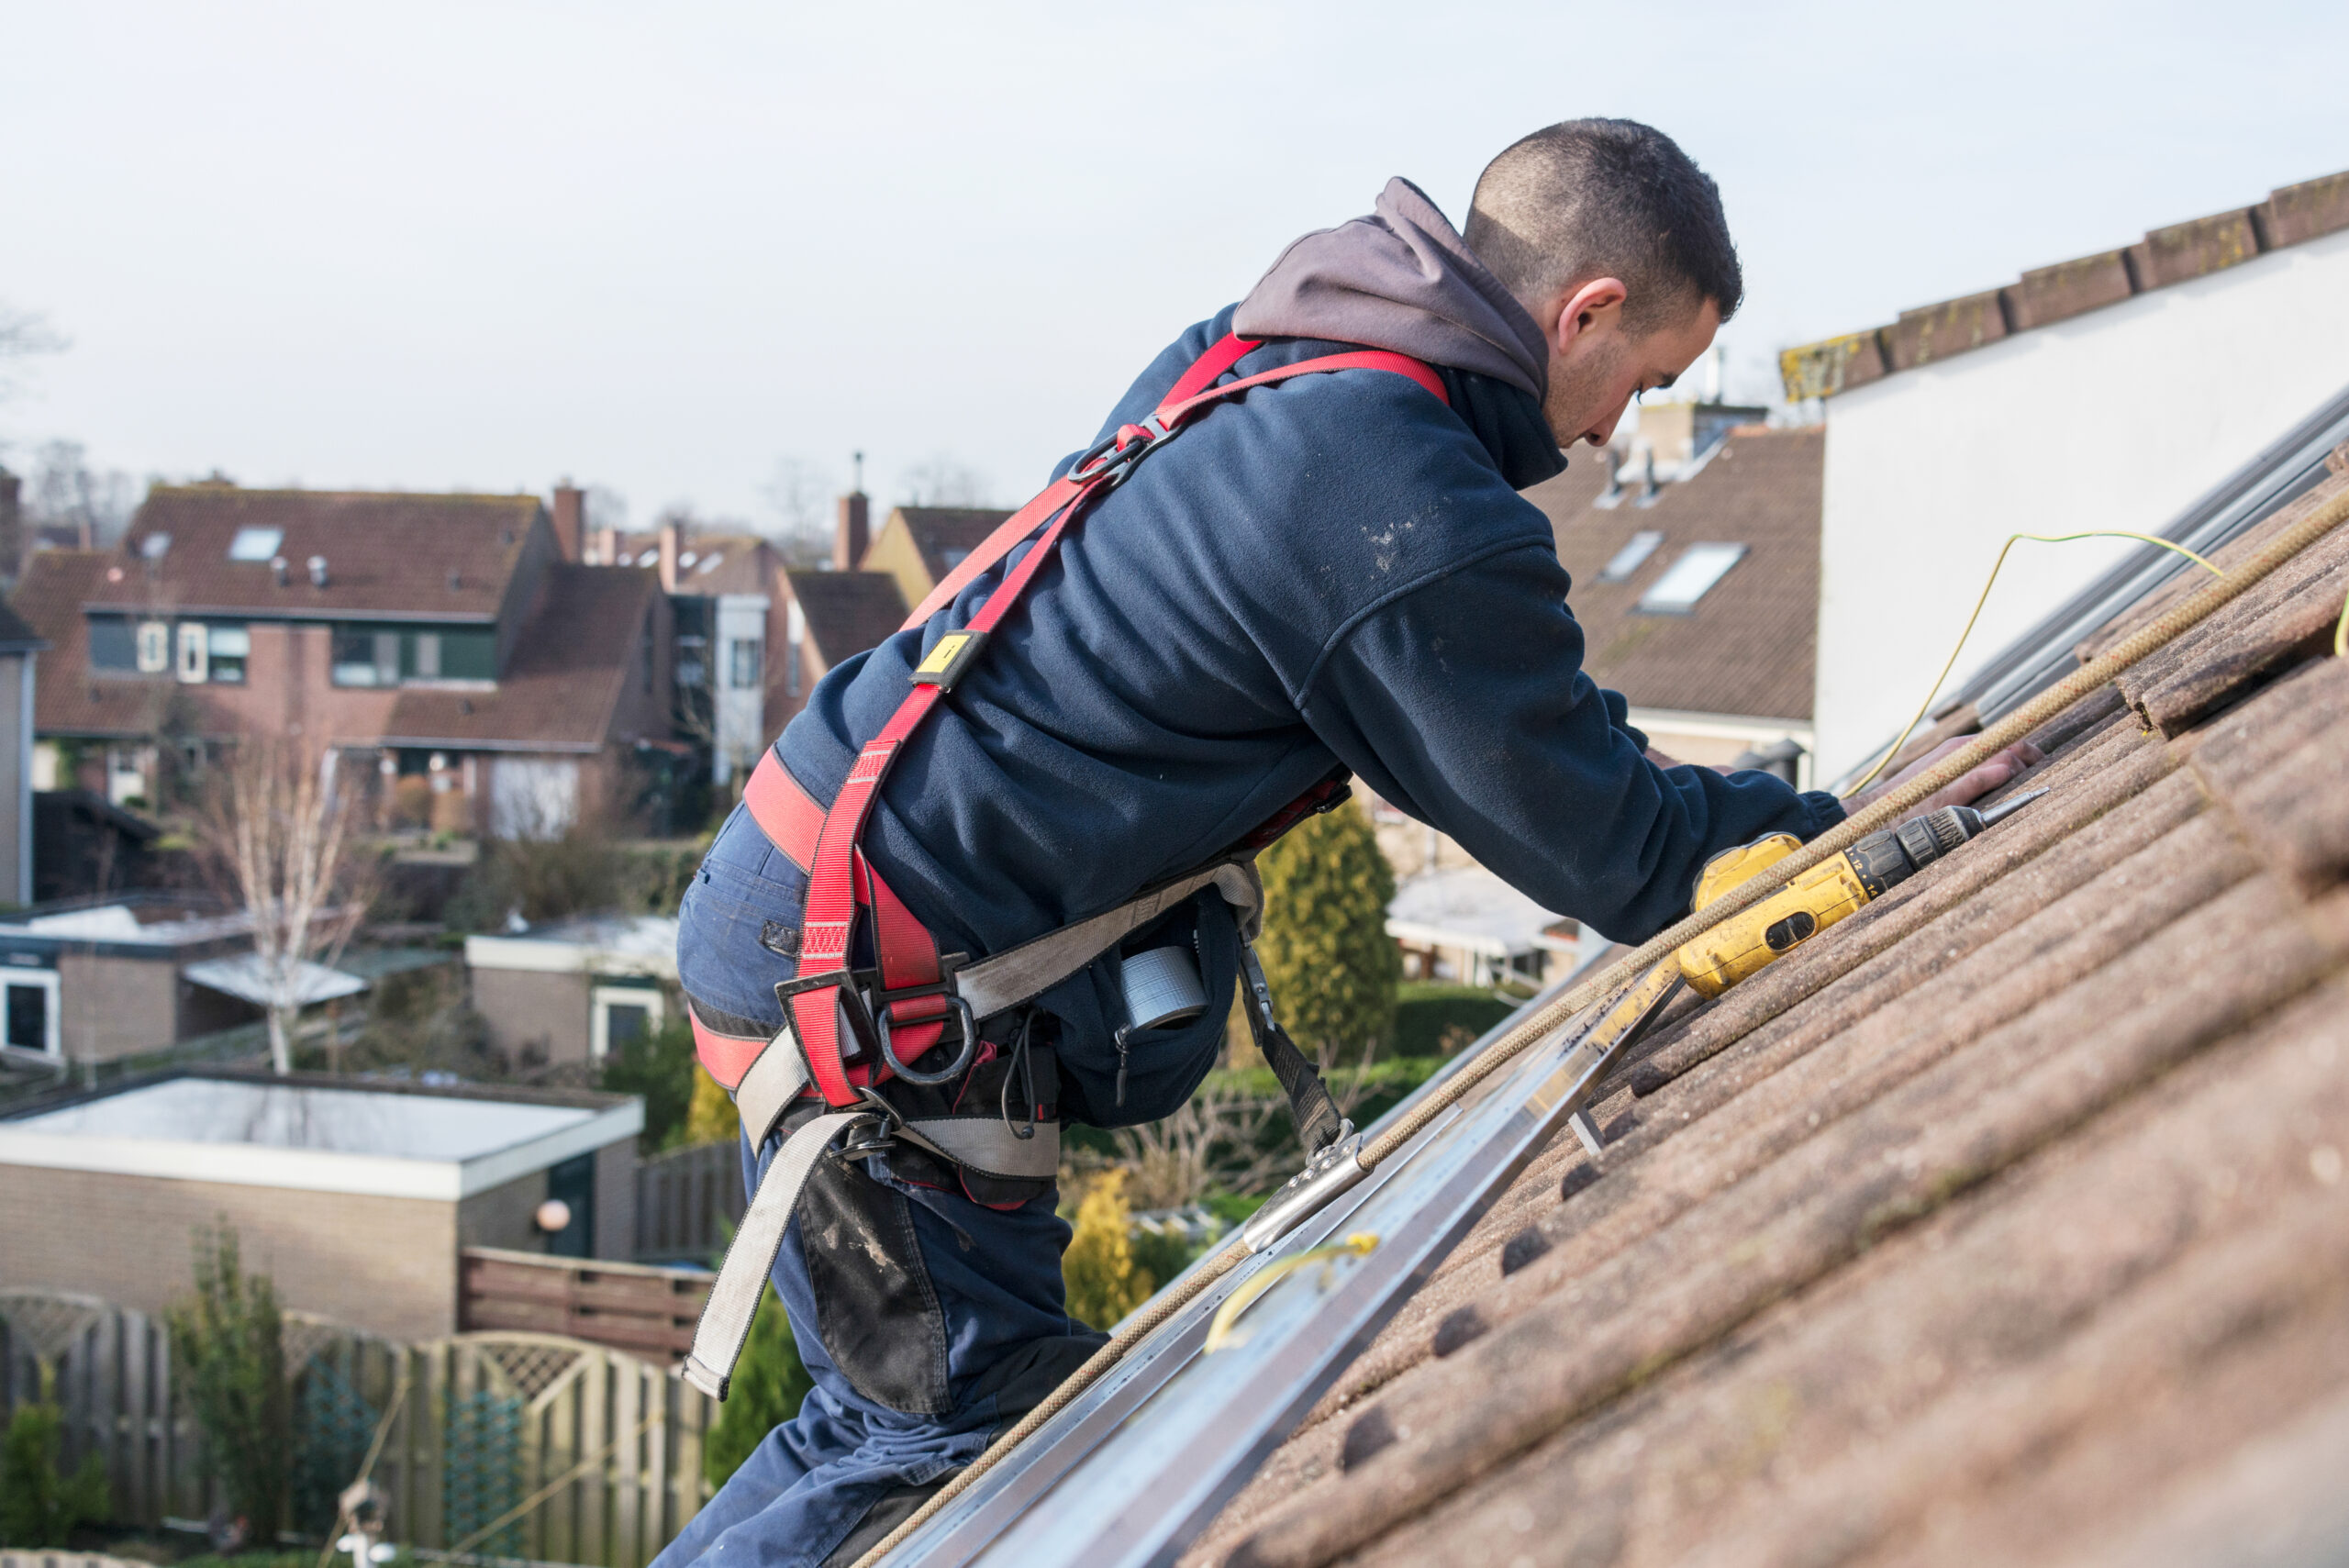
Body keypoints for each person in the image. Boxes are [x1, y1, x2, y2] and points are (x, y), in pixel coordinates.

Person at [658, 117, 2036, 1568]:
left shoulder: (1278, 349)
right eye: (1644, 381)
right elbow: (1625, 853)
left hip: (807, 873)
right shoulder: (1400, 500)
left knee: (901, 1406)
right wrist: (1871, 814)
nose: (1611, 431)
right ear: (1588, 312)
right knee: (975, 1435)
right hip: (863, 967)